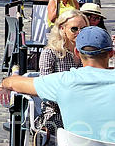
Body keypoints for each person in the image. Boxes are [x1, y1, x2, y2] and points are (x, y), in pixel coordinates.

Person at [35, 9, 87, 137]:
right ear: (62, 29)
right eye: (74, 29)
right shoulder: (50, 53)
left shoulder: (89, 53)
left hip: (84, 107)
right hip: (56, 111)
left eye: (84, 29)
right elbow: (46, 88)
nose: (79, 33)